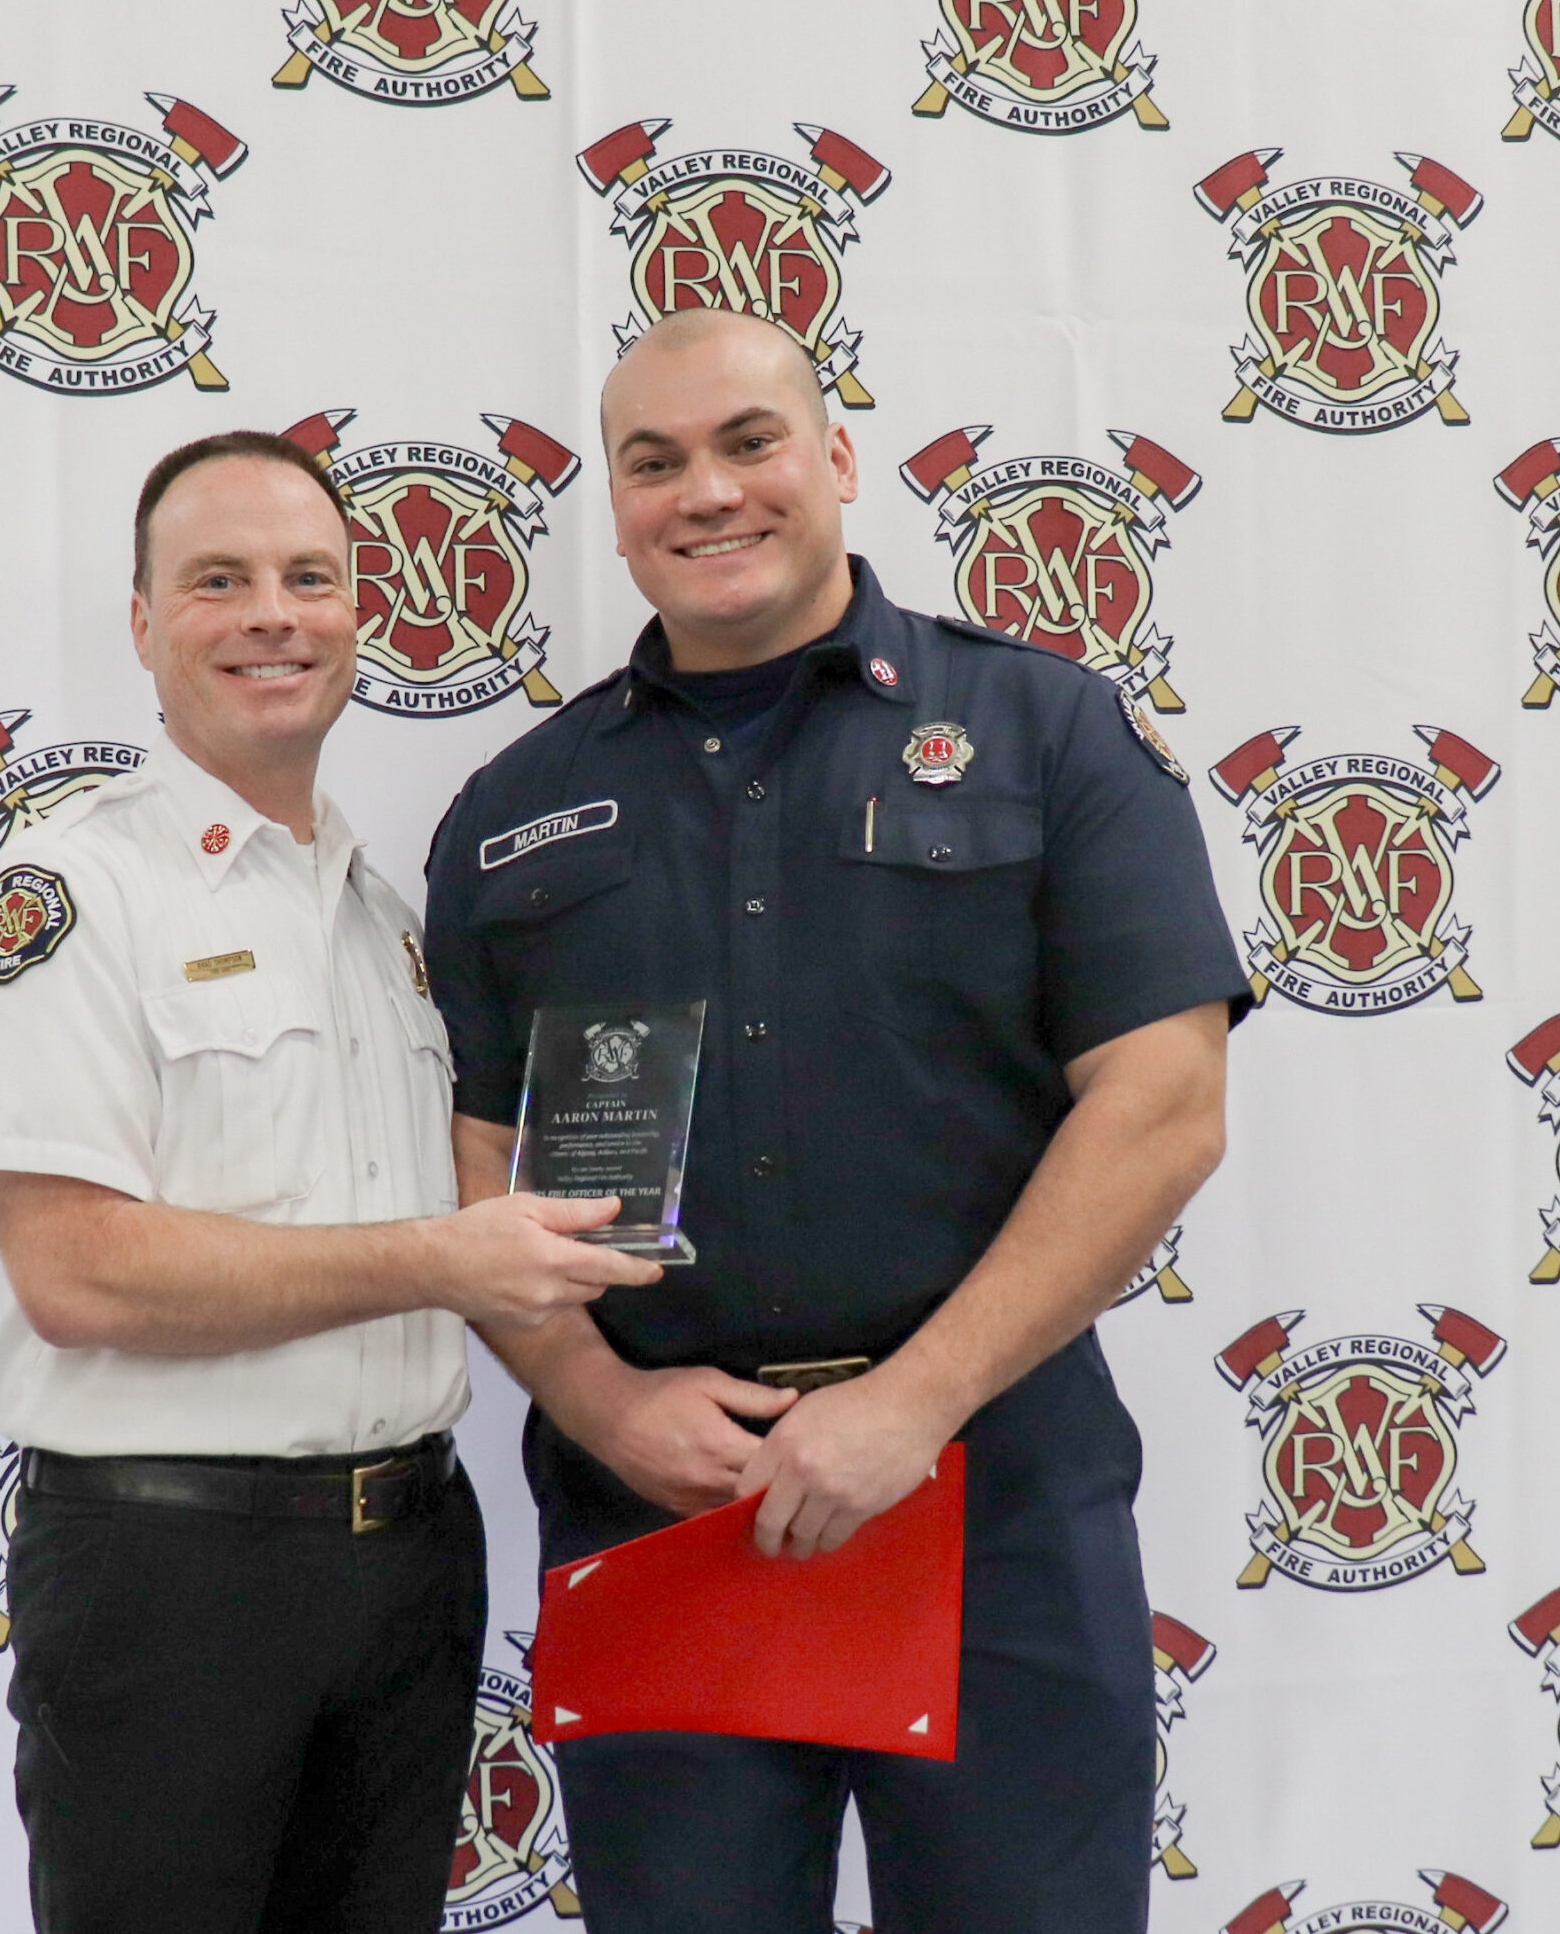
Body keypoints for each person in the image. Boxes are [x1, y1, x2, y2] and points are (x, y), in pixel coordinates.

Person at [420, 310, 1246, 1934]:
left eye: (749, 442)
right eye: (653, 464)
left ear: (839, 459)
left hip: (989, 1490)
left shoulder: (1044, 731)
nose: (706, 492)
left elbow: (1163, 1106)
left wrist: (909, 1404)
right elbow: (478, 1162)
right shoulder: (515, 814)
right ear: (615, 503)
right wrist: (595, 1402)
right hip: (664, 1506)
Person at [0, 430, 653, 1934]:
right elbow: (77, 1275)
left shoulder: (382, 915)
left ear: (355, 612)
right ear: (143, 623)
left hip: (407, 1566)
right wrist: (443, 1260)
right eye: (219, 581)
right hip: (172, 1576)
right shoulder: (71, 897)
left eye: (309, 577)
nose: (273, 613)